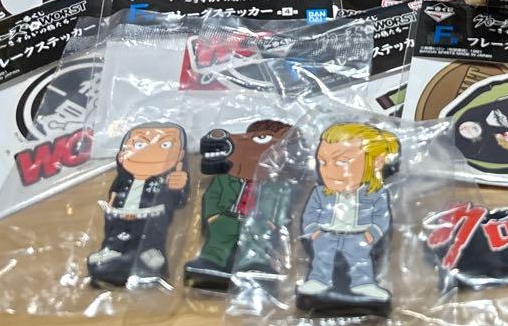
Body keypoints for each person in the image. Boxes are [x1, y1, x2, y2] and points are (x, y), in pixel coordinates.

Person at [297, 122, 400, 306]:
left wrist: (372, 233)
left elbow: (381, 217)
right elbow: (310, 214)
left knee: (361, 261)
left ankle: (363, 285)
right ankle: (319, 281)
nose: (329, 170)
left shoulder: (376, 194)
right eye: (323, 162)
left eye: (342, 162)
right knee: (322, 258)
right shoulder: (320, 193)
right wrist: (313, 231)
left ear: (377, 163)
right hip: (326, 233)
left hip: (358, 235)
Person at [184, 120, 293, 288]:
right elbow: (212, 196)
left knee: (257, 245)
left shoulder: (278, 186)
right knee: (218, 243)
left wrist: (274, 225)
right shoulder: (225, 179)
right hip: (227, 218)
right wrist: (213, 216)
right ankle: (212, 266)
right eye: (262, 139)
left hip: (260, 222)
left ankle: (256, 267)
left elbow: (283, 206)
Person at [87, 124, 190, 287]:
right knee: (117, 232)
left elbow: (178, 198)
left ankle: (149, 252)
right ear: (122, 155)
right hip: (120, 214)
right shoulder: (124, 179)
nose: (151, 152)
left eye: (165, 145)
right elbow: (114, 193)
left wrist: (179, 186)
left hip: (150, 215)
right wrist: (112, 208)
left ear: (180, 155)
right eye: (140, 144)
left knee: (149, 232)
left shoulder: (165, 179)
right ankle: (113, 250)